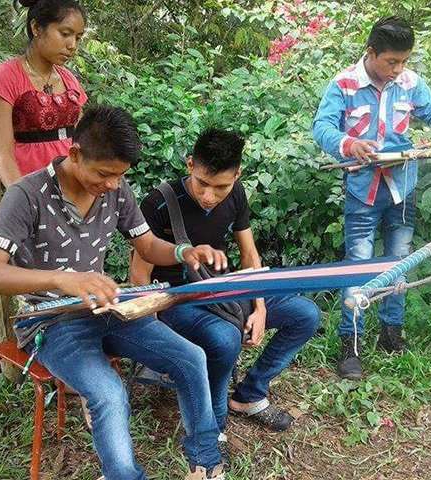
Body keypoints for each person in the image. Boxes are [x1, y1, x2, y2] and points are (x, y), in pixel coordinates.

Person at [0, 106, 226, 480]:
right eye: (104, 174)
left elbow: (146, 245)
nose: (112, 184)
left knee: (191, 357)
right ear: (75, 154)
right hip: (50, 321)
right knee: (108, 392)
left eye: (120, 175)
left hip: (109, 307)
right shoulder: (26, 195)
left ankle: (206, 464)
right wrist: (61, 280)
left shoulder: (116, 191)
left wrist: (181, 252)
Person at [312, 16, 431, 380]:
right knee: (358, 264)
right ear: (371, 52)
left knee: (400, 261)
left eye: (404, 61)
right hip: (363, 190)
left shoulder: (409, 82)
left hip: (403, 188)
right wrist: (349, 144)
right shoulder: (344, 84)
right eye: (391, 61)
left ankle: (391, 334)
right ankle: (351, 342)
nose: (398, 69)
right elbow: (322, 128)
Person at [130, 129, 321, 445]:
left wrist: (259, 307)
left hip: (223, 292)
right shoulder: (160, 202)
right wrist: (153, 333)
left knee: (305, 314)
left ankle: (250, 394)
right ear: (190, 165)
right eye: (203, 184)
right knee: (225, 339)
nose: (209, 196)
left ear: (237, 175)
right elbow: (139, 275)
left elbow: (249, 255)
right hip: (176, 303)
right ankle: (213, 429)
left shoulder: (236, 194)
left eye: (221, 187)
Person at [0, 0, 89, 187]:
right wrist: (23, 199)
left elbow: (84, 140)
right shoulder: (5, 77)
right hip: (30, 187)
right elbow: (3, 155)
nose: (72, 45)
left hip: (74, 187)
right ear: (36, 28)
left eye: (78, 37)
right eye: (65, 34)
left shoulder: (69, 79)